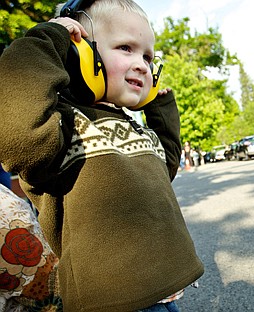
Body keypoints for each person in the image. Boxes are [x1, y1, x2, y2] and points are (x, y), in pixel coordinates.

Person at [0, 0, 204, 311]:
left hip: (166, 294)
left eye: (148, 57)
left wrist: (159, 110)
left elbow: (165, 170)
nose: (142, 65)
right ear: (80, 52)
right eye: (125, 48)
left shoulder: (133, 125)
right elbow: (18, 132)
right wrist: (47, 39)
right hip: (111, 303)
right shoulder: (64, 124)